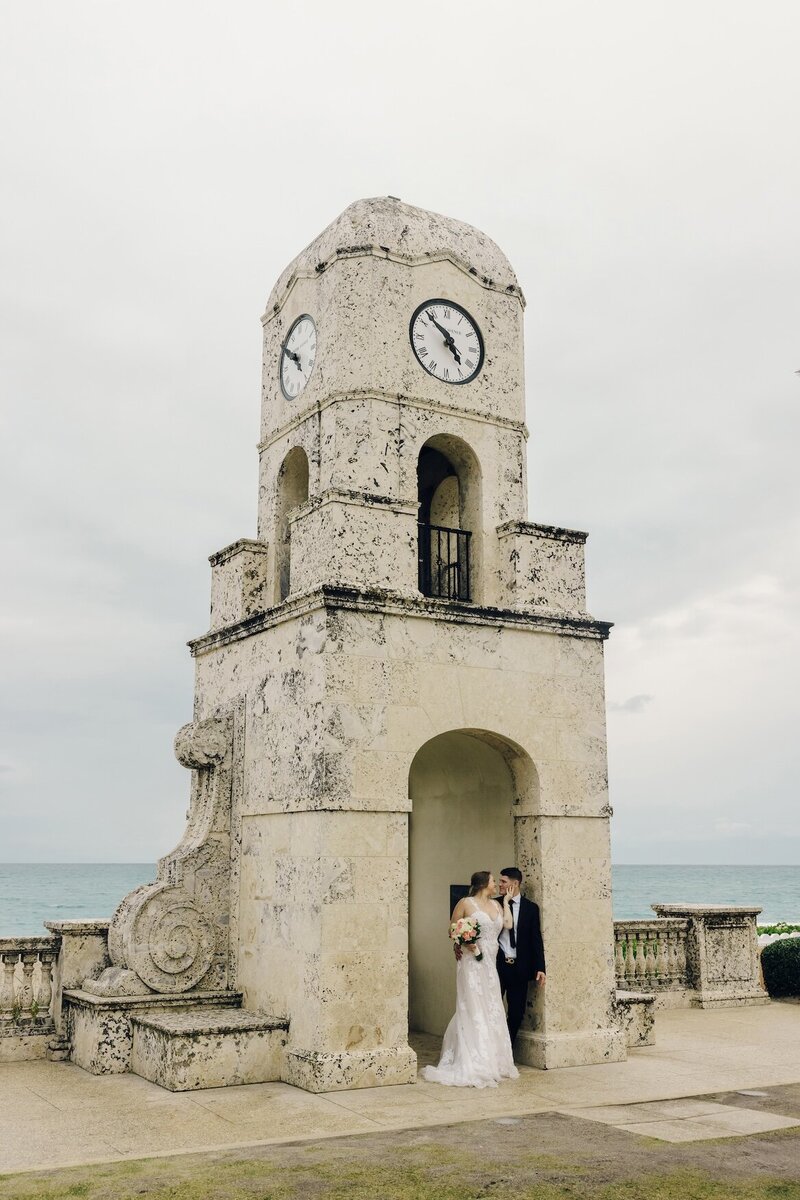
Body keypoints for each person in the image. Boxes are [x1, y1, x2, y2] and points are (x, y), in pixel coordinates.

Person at [422, 870, 519, 1088]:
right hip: (470, 962)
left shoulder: (496, 905)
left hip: (490, 964)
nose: (496, 884)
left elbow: (508, 925)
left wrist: (506, 901)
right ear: (484, 883)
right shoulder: (466, 903)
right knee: (473, 1005)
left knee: (492, 1006)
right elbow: (452, 928)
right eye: (494, 881)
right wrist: (465, 943)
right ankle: (474, 1059)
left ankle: (494, 1060)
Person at [496, 867, 546, 1047]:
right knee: (493, 1009)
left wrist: (540, 968)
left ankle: (506, 1050)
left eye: (503, 881)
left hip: (520, 968)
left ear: (515, 883)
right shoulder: (495, 904)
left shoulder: (531, 908)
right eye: (499, 881)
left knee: (517, 1012)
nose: (499, 885)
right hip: (498, 965)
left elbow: (536, 939)